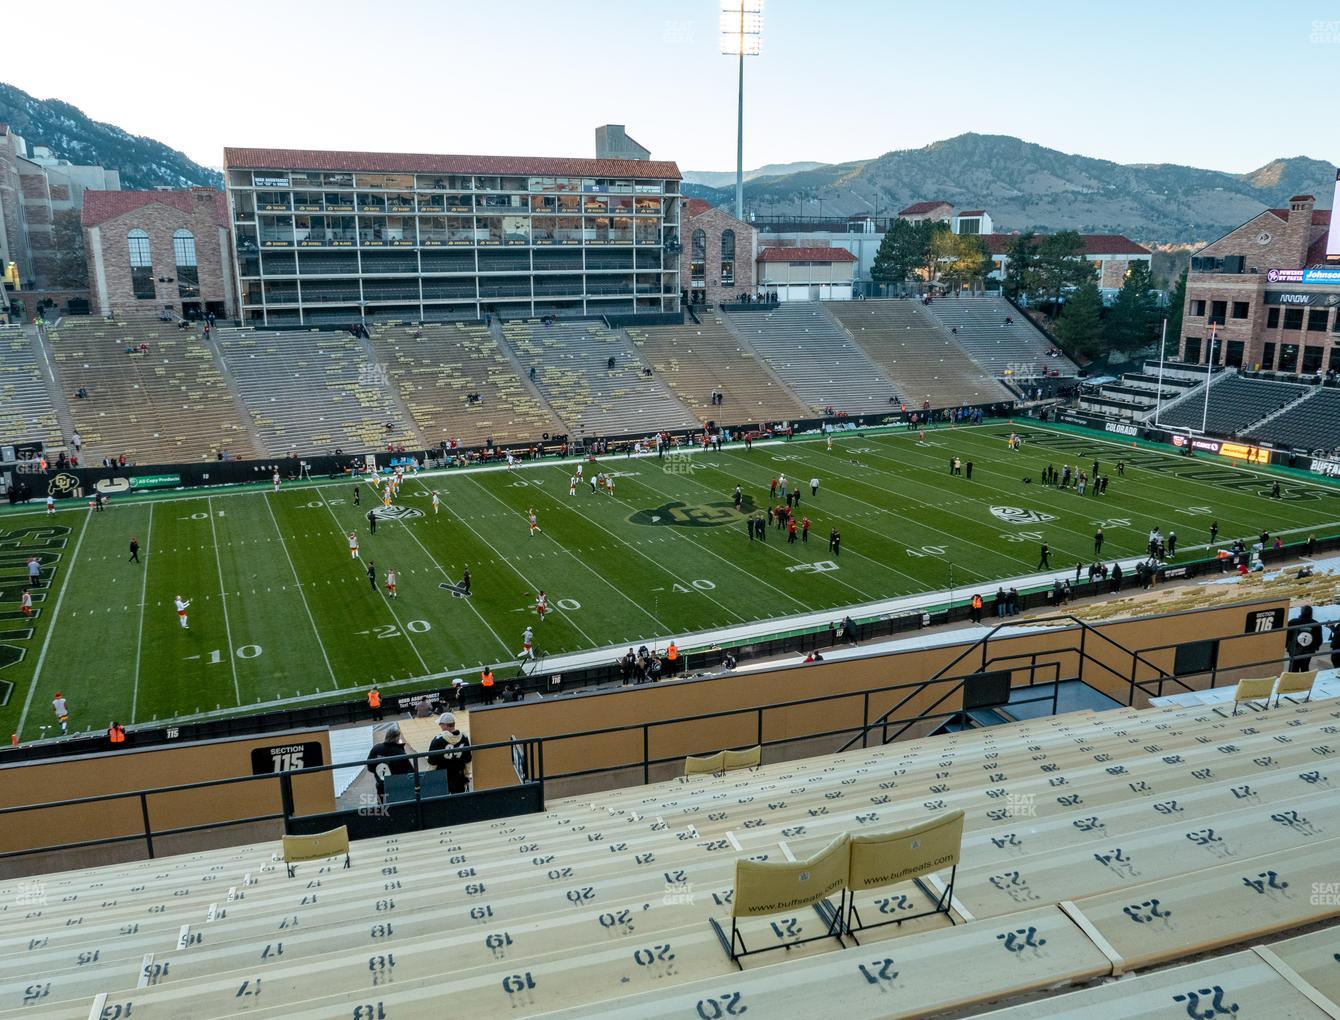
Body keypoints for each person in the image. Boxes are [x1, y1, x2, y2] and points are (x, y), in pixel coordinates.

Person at [366, 724, 414, 802]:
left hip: (381, 785)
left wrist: (379, 773)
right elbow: (410, 772)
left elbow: (370, 767)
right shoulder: (399, 752)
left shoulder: (376, 748)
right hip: (397, 786)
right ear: (397, 738)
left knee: (383, 807)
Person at [427, 713, 472, 793]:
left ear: (445, 725)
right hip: (458, 774)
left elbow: (432, 762)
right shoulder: (464, 738)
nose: (440, 726)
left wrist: (429, 778)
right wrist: (467, 775)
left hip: (442, 776)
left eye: (440, 724)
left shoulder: (438, 740)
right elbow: (467, 759)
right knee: (458, 800)